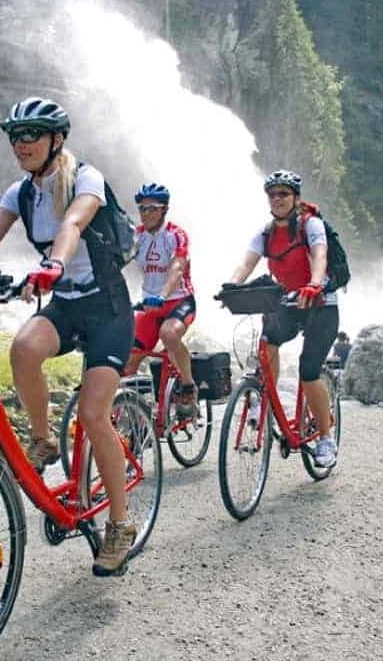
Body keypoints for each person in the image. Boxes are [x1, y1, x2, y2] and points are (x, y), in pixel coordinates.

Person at [0, 96, 138, 577]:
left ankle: (120, 523)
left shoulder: (85, 178)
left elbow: (74, 222)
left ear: (56, 139)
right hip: (67, 304)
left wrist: (54, 264)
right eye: (15, 136)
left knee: (95, 416)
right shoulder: (20, 193)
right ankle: (43, 440)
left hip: (108, 308)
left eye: (31, 134)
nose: (22, 144)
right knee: (23, 348)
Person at [226, 169, 340, 467]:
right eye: (273, 194)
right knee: (266, 342)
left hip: (320, 304)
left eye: (284, 193)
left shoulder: (310, 225)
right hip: (288, 303)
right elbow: (246, 263)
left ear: (296, 198)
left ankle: (326, 439)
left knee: (309, 371)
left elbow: (319, 255)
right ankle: (263, 401)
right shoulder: (265, 233)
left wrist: (315, 283)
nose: (277, 199)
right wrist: (231, 288)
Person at [124, 182, 198, 418]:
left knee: (169, 334)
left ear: (164, 210)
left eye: (152, 208)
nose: (146, 214)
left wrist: (162, 295)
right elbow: (117, 261)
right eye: (142, 209)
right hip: (149, 305)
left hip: (178, 301)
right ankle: (129, 417)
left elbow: (177, 268)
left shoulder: (176, 235)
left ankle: (188, 386)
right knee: (130, 358)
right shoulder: (137, 236)